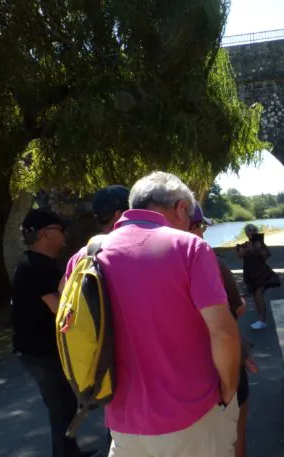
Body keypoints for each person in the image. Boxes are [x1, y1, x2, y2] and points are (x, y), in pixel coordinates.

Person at [64, 171, 241, 457]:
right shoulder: (189, 247)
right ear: (181, 207)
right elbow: (223, 331)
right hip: (192, 417)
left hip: (122, 423)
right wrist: (228, 389)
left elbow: (69, 322)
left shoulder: (86, 256)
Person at [11, 209, 99, 457]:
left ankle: (69, 451)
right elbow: (61, 309)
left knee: (67, 404)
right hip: (39, 352)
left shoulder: (40, 264)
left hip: (40, 349)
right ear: (44, 234)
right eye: (60, 230)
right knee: (61, 406)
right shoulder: (35, 267)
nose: (65, 235)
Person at [189, 205, 258, 457]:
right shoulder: (209, 260)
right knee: (235, 434)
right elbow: (237, 308)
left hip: (182, 375)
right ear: (192, 227)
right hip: (221, 364)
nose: (204, 233)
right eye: (201, 227)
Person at [236, 224, 279, 330]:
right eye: (249, 230)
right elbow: (239, 255)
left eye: (254, 230)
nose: (252, 232)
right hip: (250, 275)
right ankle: (261, 319)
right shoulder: (243, 245)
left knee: (259, 296)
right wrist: (249, 248)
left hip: (262, 274)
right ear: (246, 233)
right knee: (255, 298)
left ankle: (263, 321)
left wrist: (258, 248)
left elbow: (266, 257)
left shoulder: (261, 245)